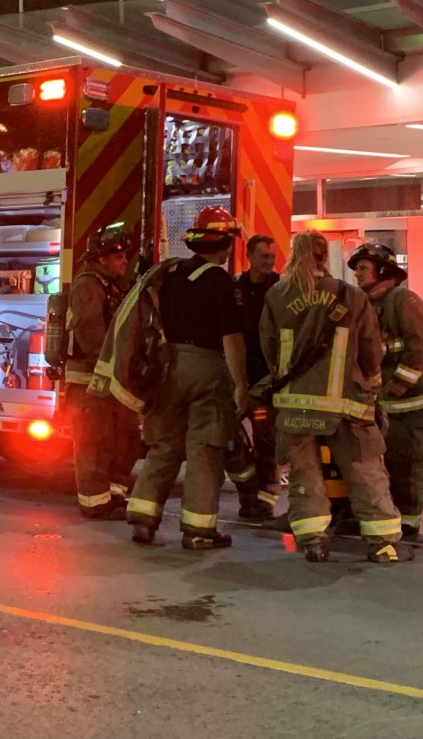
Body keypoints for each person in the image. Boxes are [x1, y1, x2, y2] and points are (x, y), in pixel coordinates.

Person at [260, 232, 411, 563]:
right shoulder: (350, 295)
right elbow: (371, 347)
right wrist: (372, 385)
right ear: (323, 257)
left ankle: (314, 540)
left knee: (304, 472)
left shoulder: (277, 295)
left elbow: (269, 347)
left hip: (294, 403)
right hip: (346, 403)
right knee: (363, 469)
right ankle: (383, 543)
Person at [126, 206, 249, 549]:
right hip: (207, 369)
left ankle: (143, 519)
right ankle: (198, 531)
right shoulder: (220, 281)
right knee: (204, 449)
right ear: (225, 244)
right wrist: (240, 384)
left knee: (164, 445)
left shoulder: (170, 274)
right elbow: (232, 338)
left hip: (168, 367)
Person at [349, 243, 423, 539]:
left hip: (411, 403)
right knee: (382, 465)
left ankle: (409, 522)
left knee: (406, 465)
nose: (356, 275)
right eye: (355, 269)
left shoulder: (402, 299)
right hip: (381, 404)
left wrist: (400, 383)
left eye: (363, 268)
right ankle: (387, 517)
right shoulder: (366, 305)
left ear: (383, 270)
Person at [65, 224, 143, 519]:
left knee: (124, 439)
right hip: (89, 380)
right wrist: (118, 364)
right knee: (95, 442)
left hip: (110, 380)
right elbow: (91, 333)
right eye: (119, 255)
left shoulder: (112, 286)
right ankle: (95, 503)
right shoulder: (88, 286)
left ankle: (114, 495)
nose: (125, 261)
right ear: (101, 258)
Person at [235, 234, 281, 520]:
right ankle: (247, 492)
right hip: (237, 377)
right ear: (249, 255)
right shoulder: (234, 288)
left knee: (266, 441)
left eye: (272, 257)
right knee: (229, 439)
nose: (269, 262)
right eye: (264, 256)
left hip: (266, 380)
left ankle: (265, 499)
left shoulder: (279, 288)